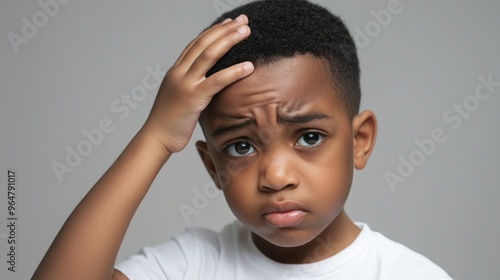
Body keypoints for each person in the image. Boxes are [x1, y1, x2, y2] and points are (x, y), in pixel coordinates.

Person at [33, 0, 452, 279]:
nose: (275, 175)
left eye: (308, 136)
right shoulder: (193, 265)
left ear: (360, 140)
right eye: (241, 146)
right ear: (212, 166)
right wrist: (155, 138)